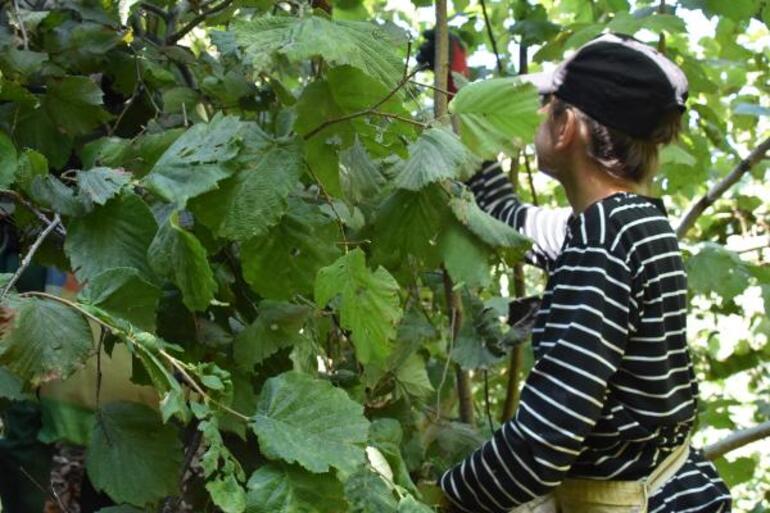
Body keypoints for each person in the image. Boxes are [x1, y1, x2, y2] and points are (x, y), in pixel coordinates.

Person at [437, 33, 732, 512]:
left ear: (565, 128)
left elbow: (541, 446)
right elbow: (503, 217)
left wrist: (446, 498)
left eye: (547, 104)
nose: (536, 116)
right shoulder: (631, 224)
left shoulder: (602, 244)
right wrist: (459, 117)